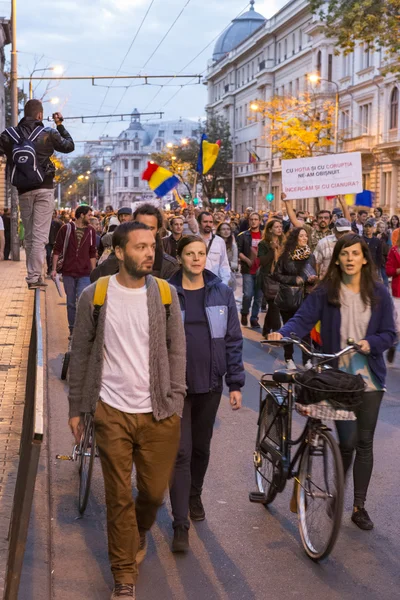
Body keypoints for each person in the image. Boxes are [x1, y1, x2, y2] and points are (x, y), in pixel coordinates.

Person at [68, 222, 186, 599]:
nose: (149, 253)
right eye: (139, 247)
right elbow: (82, 352)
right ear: (119, 252)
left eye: (152, 246)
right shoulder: (95, 295)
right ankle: (123, 577)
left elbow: (176, 349)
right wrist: (77, 408)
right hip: (111, 409)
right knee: (118, 496)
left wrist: (177, 401)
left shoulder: (167, 295)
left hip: (159, 412)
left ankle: (139, 532)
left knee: (151, 493)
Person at [269, 233, 396, 531]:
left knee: (365, 442)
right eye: (345, 254)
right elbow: (302, 319)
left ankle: (357, 506)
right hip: (336, 377)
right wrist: (283, 333)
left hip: (370, 379)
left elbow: (390, 334)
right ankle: (338, 486)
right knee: (348, 441)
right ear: (337, 258)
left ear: (365, 258)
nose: (350, 259)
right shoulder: (327, 291)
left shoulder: (379, 292)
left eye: (355, 253)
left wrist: (370, 342)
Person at [169, 235, 244, 552]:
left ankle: (194, 493)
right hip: (176, 386)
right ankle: (180, 524)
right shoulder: (166, 292)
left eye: (201, 253)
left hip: (210, 384)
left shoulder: (222, 293)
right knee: (181, 453)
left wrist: (236, 384)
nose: (197, 258)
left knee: (201, 449)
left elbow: (233, 340)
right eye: (190, 253)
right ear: (180, 257)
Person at [0, 100, 74, 287]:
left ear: (25, 114)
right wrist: (60, 125)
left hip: (23, 191)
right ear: (40, 115)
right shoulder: (48, 133)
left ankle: (35, 275)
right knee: (40, 237)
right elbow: (68, 146)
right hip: (44, 188)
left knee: (31, 235)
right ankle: (34, 277)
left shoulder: (10, 135)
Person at [90, 204, 178, 282]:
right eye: (140, 226)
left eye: (150, 228)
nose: (144, 232)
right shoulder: (120, 255)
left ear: (158, 230)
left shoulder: (168, 265)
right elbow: (96, 278)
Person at [273, 227, 317, 369]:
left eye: (306, 236)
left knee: (306, 331)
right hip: (289, 298)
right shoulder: (286, 255)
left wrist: (313, 279)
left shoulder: (311, 256)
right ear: (295, 239)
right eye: (301, 236)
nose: (305, 238)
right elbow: (276, 275)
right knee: (289, 329)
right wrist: (294, 279)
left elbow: (313, 273)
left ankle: (307, 360)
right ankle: (288, 358)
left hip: (306, 297)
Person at [51, 205, 96, 338]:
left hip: (85, 272)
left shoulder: (91, 231)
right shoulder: (66, 228)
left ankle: (81, 329)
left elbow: (92, 252)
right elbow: (57, 249)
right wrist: (54, 269)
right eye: (89, 215)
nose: (90, 217)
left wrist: (93, 271)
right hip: (68, 272)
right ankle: (72, 330)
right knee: (71, 302)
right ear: (81, 215)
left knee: (82, 302)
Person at [257, 219, 284, 336]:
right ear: (270, 229)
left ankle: (266, 329)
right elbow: (262, 262)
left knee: (274, 305)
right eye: (276, 227)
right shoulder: (263, 244)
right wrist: (272, 250)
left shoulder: (283, 242)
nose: (279, 229)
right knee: (274, 306)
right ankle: (277, 333)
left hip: (280, 277)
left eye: (280, 226)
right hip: (267, 278)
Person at [237, 212, 263, 328]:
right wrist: (246, 260)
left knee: (258, 297)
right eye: (251, 219)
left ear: (260, 221)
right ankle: (244, 312)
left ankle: (254, 318)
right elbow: (238, 251)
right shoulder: (243, 235)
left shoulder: (264, 235)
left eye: (256, 219)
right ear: (249, 221)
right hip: (248, 270)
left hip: (261, 271)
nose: (254, 221)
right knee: (247, 294)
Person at [197, 211, 231, 286]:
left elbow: (224, 264)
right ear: (199, 223)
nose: (208, 224)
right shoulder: (192, 240)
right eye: (205, 222)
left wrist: (224, 283)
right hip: (196, 283)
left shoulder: (219, 241)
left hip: (214, 283)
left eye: (210, 222)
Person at [216, 221, 238, 290]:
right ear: (219, 231)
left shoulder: (233, 246)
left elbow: (235, 265)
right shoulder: (214, 244)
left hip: (228, 275)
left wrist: (226, 263)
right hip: (215, 274)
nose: (226, 231)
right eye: (223, 229)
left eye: (228, 229)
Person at [45, 210, 62, 275]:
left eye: (54, 213)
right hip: (48, 241)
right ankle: (49, 269)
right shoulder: (46, 222)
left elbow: (62, 231)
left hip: (56, 241)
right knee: (48, 255)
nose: (52, 215)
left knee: (56, 256)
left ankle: (55, 268)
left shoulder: (58, 222)